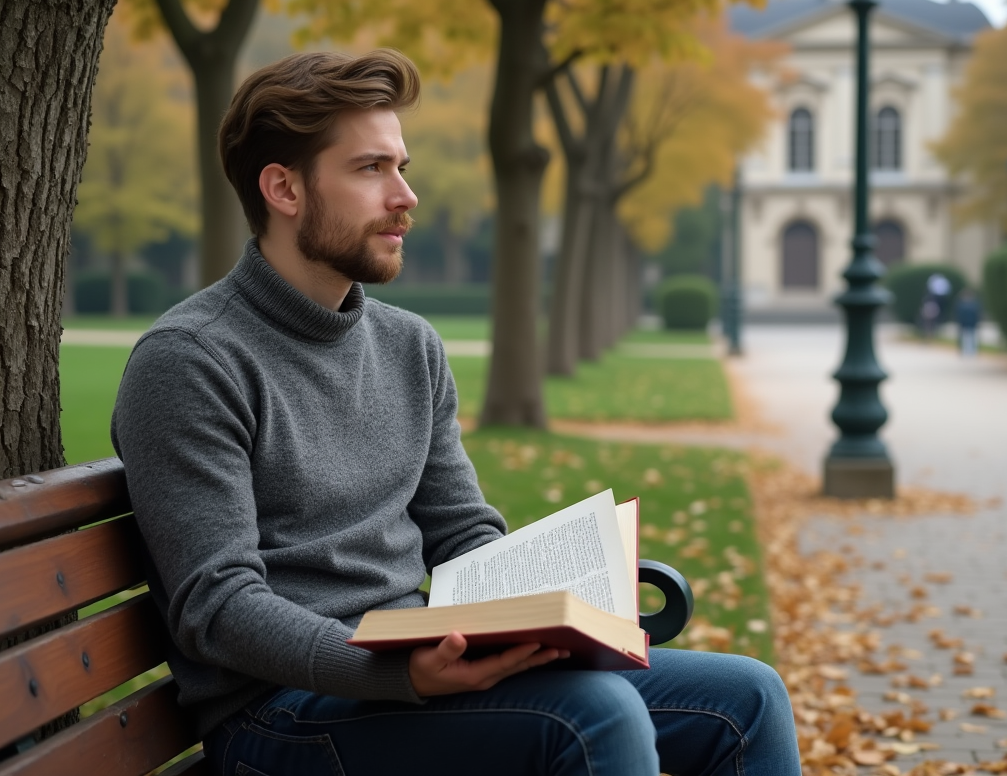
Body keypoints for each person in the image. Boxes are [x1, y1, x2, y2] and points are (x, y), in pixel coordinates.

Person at [111, 49, 800, 776]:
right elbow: (218, 605)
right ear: (283, 188)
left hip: (419, 672)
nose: (405, 195)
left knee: (747, 698)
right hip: (279, 715)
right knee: (596, 716)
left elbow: (462, 532)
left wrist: (548, 617)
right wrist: (393, 672)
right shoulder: (191, 360)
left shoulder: (410, 346)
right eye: (371, 169)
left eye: (401, 166)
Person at [955, 289, 982, 357]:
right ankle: (965, 351)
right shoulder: (963, 305)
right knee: (965, 338)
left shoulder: (973, 305)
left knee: (971, 338)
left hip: (971, 324)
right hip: (965, 324)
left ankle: (972, 352)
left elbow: (977, 315)